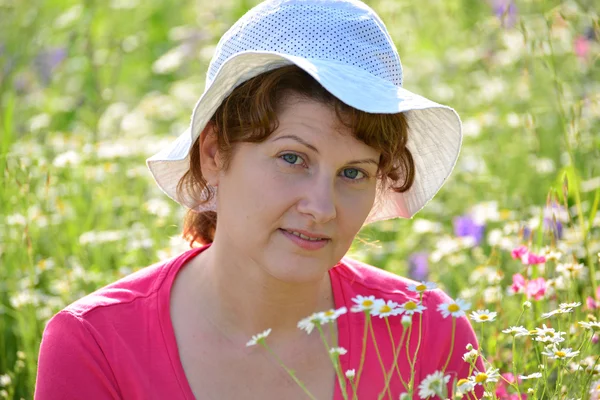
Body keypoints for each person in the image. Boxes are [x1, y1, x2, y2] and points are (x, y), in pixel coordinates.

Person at [35, 0, 486, 398]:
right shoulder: (96, 344)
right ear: (213, 154)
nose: (322, 207)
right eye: (292, 158)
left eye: (354, 173)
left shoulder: (427, 333)